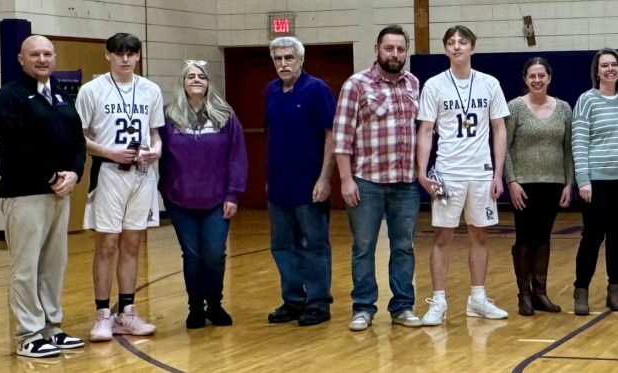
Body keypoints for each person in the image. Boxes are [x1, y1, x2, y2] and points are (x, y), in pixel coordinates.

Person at [0, 35, 86, 357]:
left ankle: (51, 327)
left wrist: (74, 172)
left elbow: (77, 139)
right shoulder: (8, 98)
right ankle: (28, 334)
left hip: (60, 193)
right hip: (26, 194)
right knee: (26, 266)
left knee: (54, 264)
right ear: (21, 59)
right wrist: (51, 175)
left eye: (47, 53)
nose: (42, 59)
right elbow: (17, 145)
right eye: (35, 54)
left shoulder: (60, 94)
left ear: (54, 57)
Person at [416, 25, 510, 326]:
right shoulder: (433, 85)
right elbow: (426, 130)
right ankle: (439, 301)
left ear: (473, 47)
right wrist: (421, 172)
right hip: (448, 173)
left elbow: (499, 129)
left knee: (479, 234)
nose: (457, 46)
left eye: (463, 42)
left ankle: (478, 298)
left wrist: (498, 173)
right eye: (451, 42)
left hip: (481, 172)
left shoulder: (490, 84)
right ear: (445, 49)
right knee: (442, 236)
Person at [334, 25, 423, 331]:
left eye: (400, 49)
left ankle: (402, 306)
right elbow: (342, 138)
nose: (395, 54)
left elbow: (423, 132)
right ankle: (363, 307)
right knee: (363, 247)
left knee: (403, 247)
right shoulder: (356, 85)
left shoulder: (414, 84)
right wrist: (346, 180)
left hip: (405, 183)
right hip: (366, 182)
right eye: (389, 48)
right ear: (377, 49)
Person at [76, 32, 163, 341]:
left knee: (132, 243)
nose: (125, 58)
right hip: (109, 172)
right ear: (108, 55)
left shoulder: (150, 90)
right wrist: (108, 151)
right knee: (108, 244)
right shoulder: (91, 91)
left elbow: (155, 133)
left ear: (139, 56)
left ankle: (127, 312)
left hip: (141, 175)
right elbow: (79, 138)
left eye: (131, 53)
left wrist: (157, 151)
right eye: (119, 53)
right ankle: (102, 314)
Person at [159, 60, 247, 328]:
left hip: (217, 200)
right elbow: (158, 154)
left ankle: (215, 304)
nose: (196, 80)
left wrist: (233, 194)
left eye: (201, 76)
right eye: (190, 76)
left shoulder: (225, 116)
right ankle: (196, 307)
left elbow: (238, 157)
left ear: (209, 83)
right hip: (180, 199)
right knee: (193, 255)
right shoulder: (168, 117)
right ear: (182, 83)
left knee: (213, 254)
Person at [264, 36, 336, 326]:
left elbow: (331, 135)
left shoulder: (317, 90)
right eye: (278, 58)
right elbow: (273, 136)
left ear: (301, 60)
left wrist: (325, 178)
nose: (283, 63)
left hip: (310, 185)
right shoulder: (270, 91)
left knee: (313, 246)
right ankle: (293, 300)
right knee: (282, 246)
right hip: (279, 186)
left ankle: (318, 302)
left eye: (288, 58)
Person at [504, 57, 573, 316]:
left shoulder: (564, 108)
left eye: (541, 75)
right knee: (525, 237)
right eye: (532, 76)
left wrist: (569, 182)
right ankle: (523, 294)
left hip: (553, 183)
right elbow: (504, 147)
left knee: (543, 237)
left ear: (549, 78)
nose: (537, 80)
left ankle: (540, 292)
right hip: (523, 184)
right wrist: (511, 180)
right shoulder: (515, 108)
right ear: (525, 79)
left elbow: (568, 148)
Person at [571, 48, 618, 315]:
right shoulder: (586, 100)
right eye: (604, 65)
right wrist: (583, 180)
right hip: (596, 182)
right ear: (596, 71)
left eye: (614, 65)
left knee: (617, 238)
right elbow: (579, 142)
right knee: (592, 237)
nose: (610, 69)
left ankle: (615, 291)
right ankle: (581, 291)